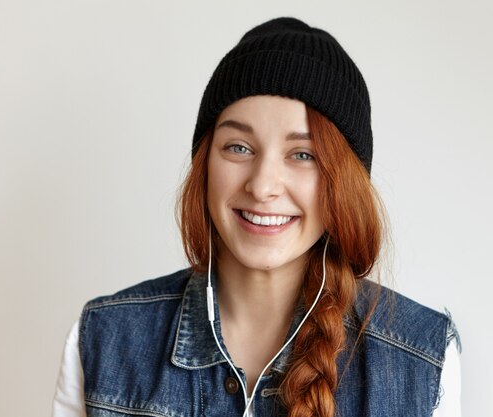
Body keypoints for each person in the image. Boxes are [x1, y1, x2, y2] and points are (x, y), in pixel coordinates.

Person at [53, 17, 461, 417]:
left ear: (343, 182)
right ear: (205, 164)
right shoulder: (103, 341)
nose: (263, 185)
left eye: (303, 155)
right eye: (238, 147)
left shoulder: (421, 360)